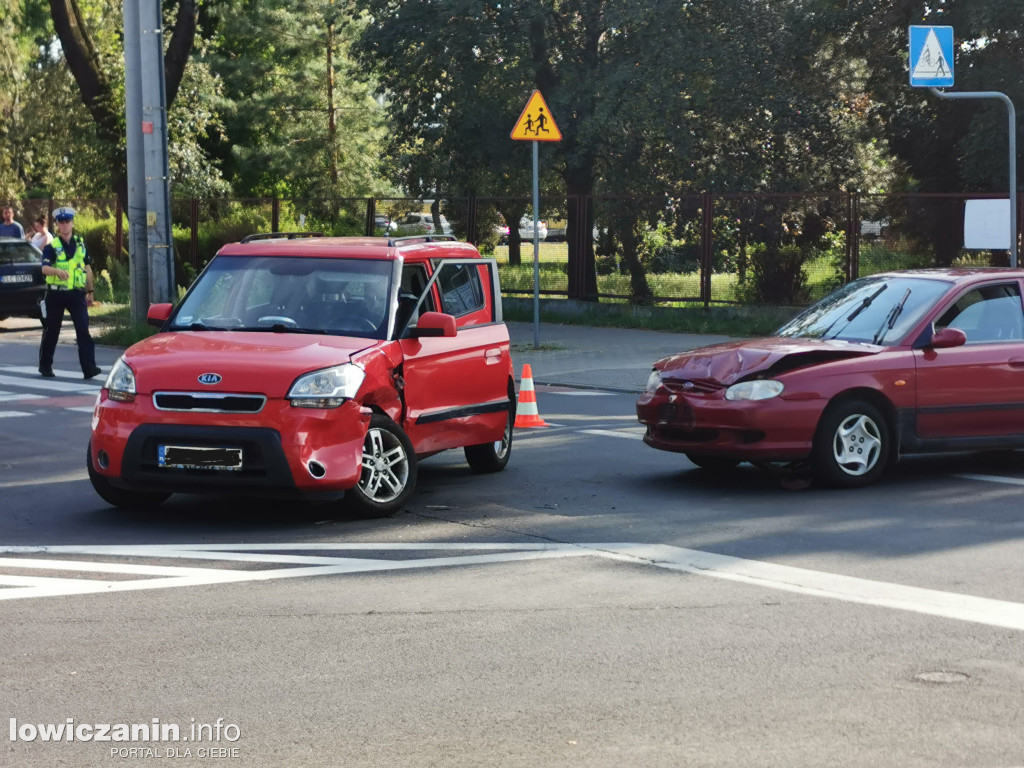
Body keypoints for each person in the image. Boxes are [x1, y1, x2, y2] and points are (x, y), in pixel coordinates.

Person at [38, 206, 101, 379]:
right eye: (61, 222)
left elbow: (87, 267)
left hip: (76, 294)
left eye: (67, 222)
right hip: (56, 295)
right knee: (52, 331)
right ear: (58, 225)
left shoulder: (81, 244)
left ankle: (89, 369)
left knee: (83, 329)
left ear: (72, 223)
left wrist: (90, 290)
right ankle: (45, 366)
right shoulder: (52, 246)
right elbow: (44, 269)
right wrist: (57, 271)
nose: (65, 225)